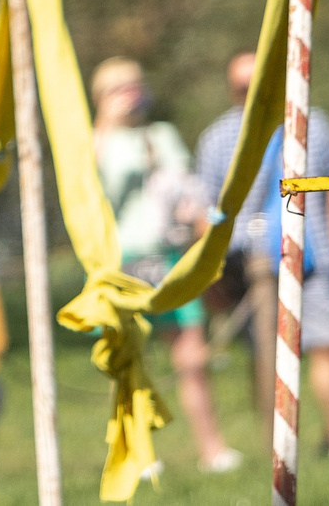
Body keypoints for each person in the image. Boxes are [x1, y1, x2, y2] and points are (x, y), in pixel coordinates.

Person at [192, 49, 329, 460]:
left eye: (259, 83)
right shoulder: (216, 137)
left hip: (314, 254)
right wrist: (212, 273)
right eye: (241, 86)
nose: (251, 92)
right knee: (267, 360)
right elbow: (207, 208)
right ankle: (281, 446)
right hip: (250, 264)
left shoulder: (313, 123)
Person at [90, 58, 235, 475]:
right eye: (118, 87)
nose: (129, 93)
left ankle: (213, 450)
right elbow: (89, 190)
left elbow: (189, 192)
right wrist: (106, 123)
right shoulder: (93, 141)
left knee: (191, 354)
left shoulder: (161, 135)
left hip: (168, 255)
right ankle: (138, 454)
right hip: (119, 260)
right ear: (101, 96)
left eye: (134, 84)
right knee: (128, 358)